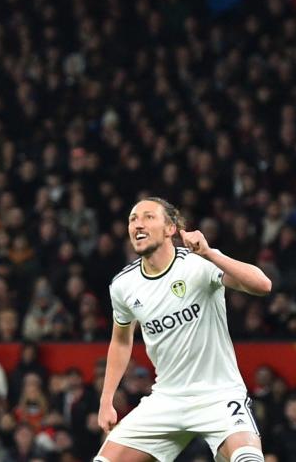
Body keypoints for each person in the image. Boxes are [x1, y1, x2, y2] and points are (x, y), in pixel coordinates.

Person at [95, 197, 272, 462]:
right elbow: (121, 341)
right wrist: (106, 400)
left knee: (248, 459)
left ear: (171, 229)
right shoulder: (123, 285)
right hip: (167, 398)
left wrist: (211, 254)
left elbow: (263, 285)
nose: (137, 224)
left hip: (218, 395)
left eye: (148, 217)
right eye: (133, 219)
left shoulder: (197, 263)